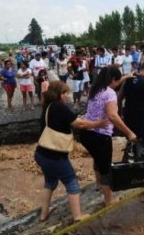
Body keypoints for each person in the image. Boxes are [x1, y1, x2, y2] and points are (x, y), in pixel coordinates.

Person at [35, 81, 109, 222]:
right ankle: (78, 216)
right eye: (66, 93)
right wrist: (98, 123)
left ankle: (44, 214)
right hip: (55, 156)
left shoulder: (48, 106)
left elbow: (71, 120)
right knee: (72, 182)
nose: (68, 96)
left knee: (50, 182)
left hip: (41, 154)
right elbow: (79, 124)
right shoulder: (59, 107)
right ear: (59, 94)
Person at [79, 66, 137, 206]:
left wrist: (125, 77)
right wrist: (129, 132)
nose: (118, 84)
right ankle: (109, 200)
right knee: (105, 167)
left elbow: (114, 84)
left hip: (86, 132)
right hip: (100, 135)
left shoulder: (95, 88)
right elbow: (112, 115)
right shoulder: (110, 93)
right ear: (112, 80)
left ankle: (98, 184)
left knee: (97, 157)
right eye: (117, 81)